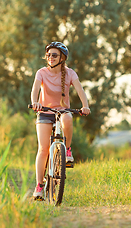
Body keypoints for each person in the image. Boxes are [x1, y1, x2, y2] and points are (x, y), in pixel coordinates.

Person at [31, 41, 91, 199]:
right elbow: (35, 89)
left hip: (63, 110)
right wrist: (36, 102)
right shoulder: (41, 72)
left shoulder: (70, 73)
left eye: (54, 55)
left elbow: (80, 90)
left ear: (62, 58)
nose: (50, 57)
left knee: (68, 119)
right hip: (45, 111)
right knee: (43, 149)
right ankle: (39, 186)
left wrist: (85, 106)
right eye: (48, 55)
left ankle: (68, 150)